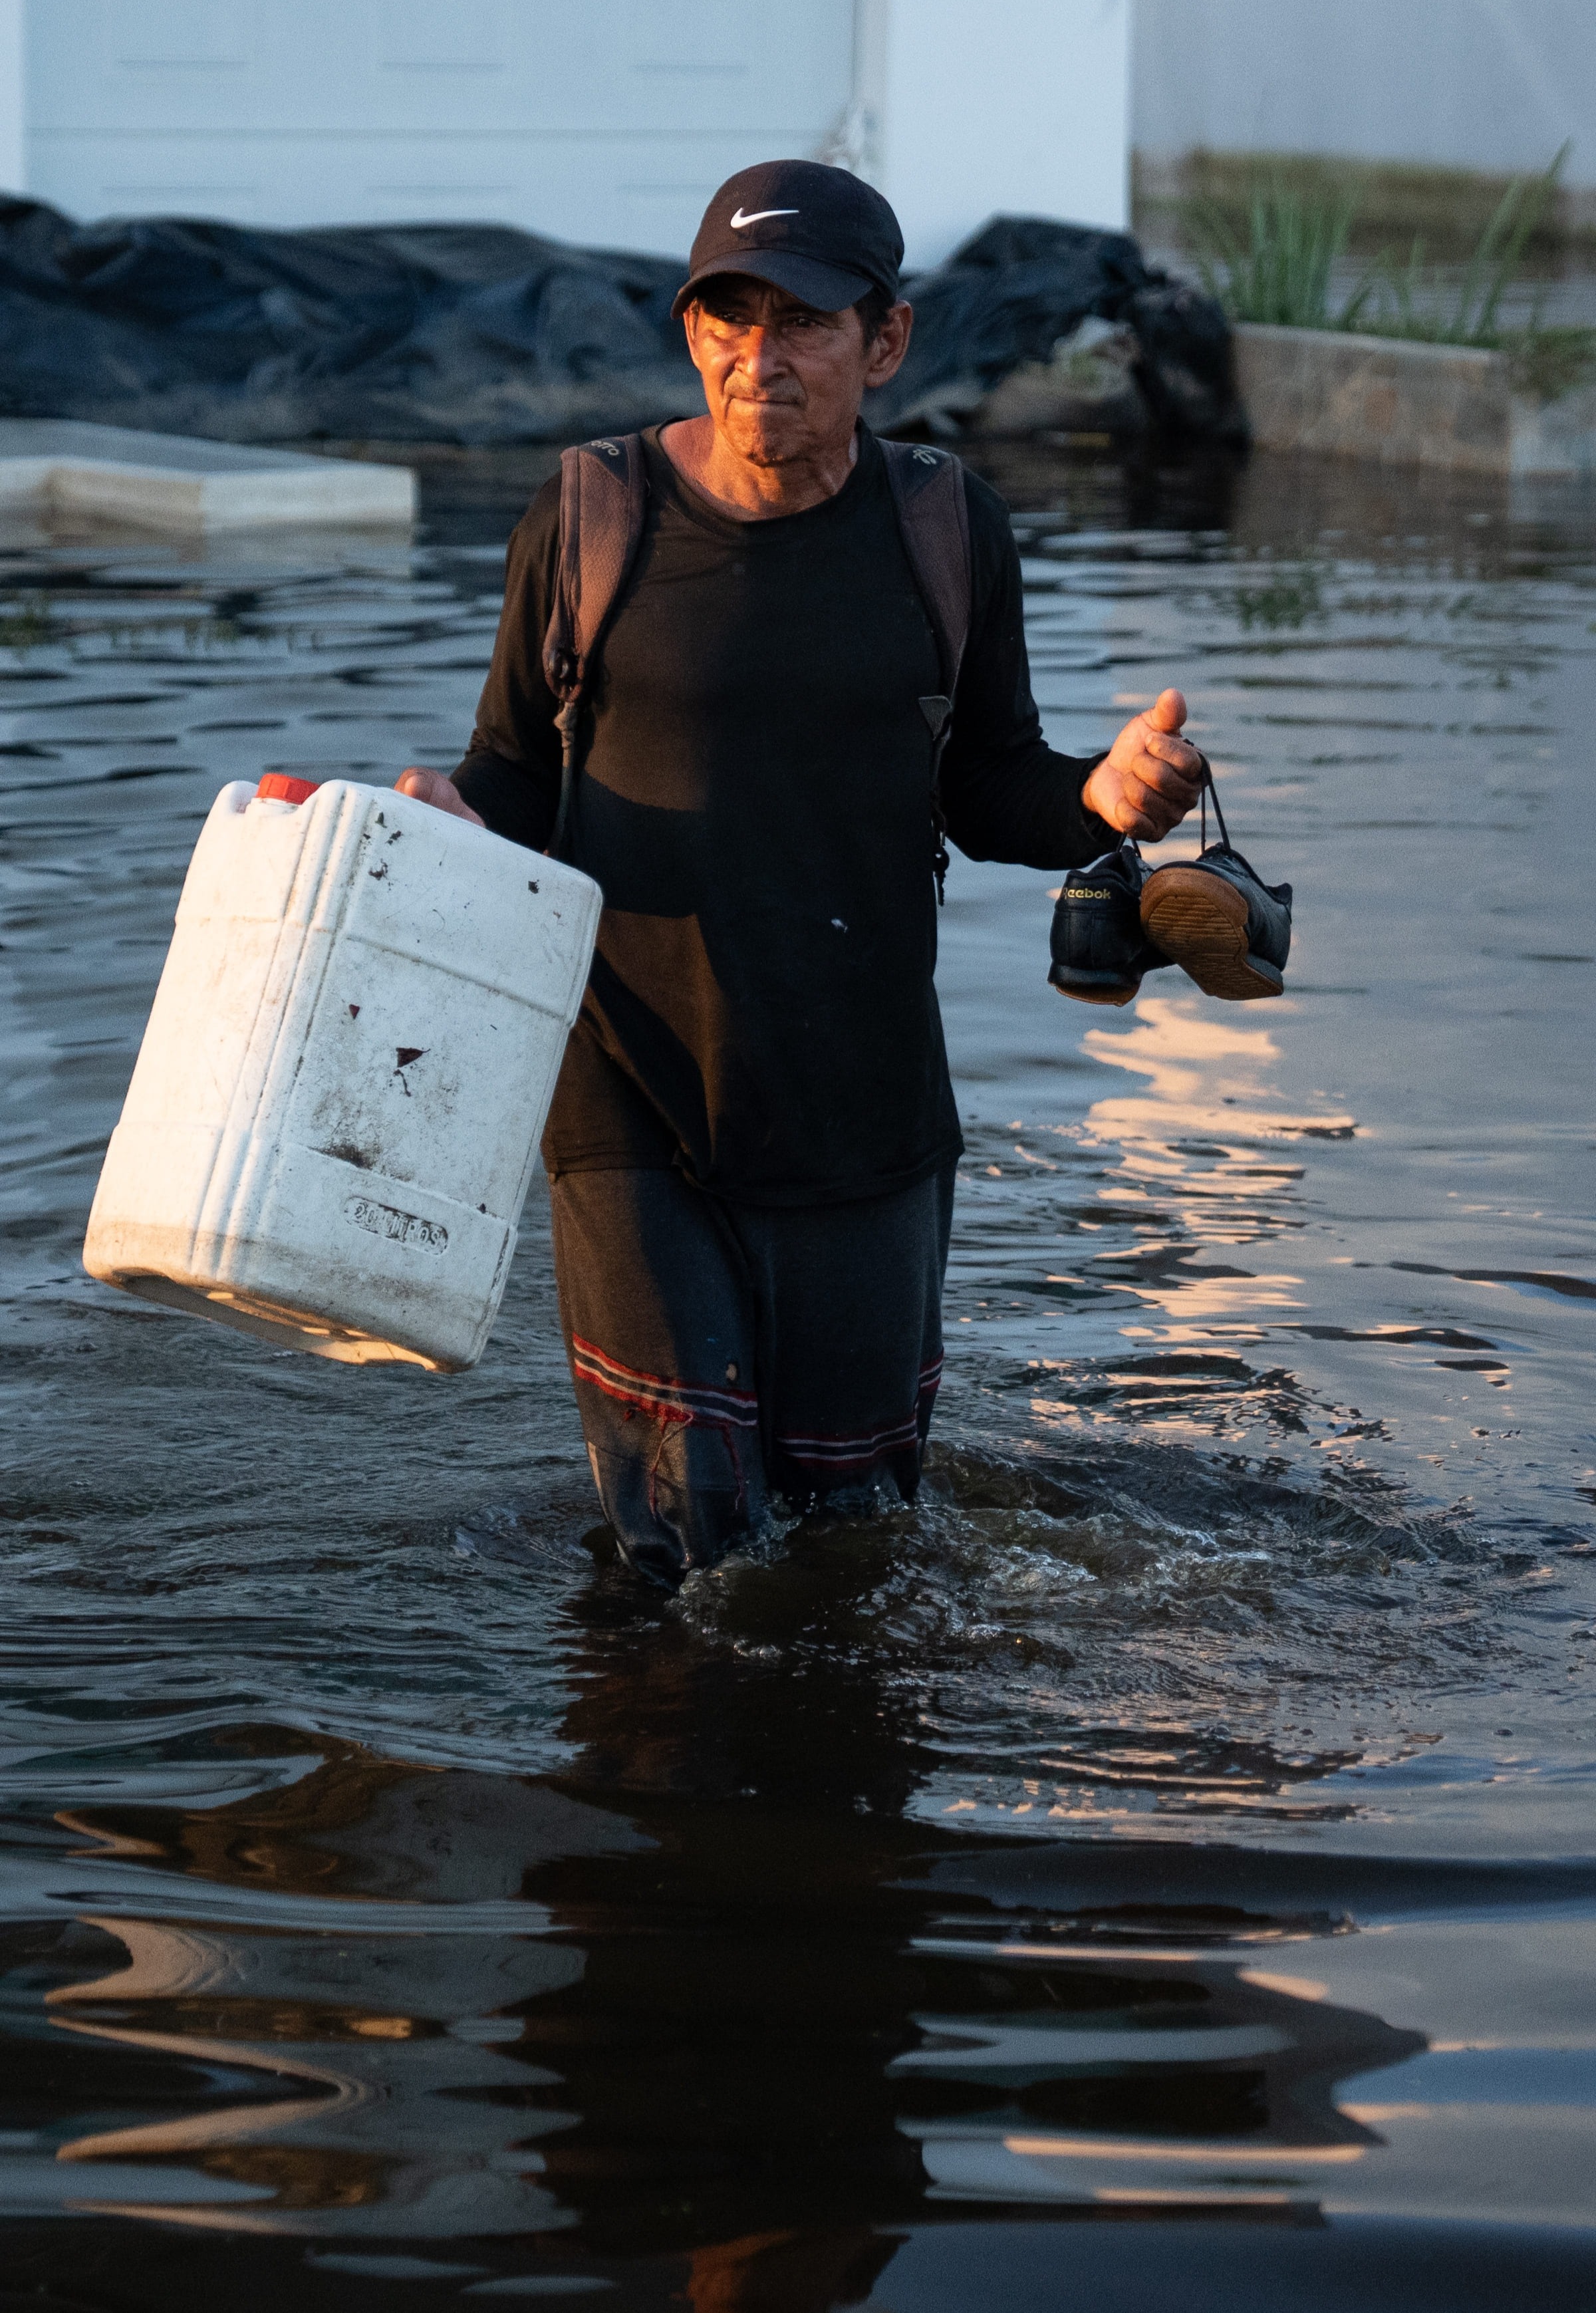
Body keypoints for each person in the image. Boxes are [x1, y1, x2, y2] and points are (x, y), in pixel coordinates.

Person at [398, 161, 1202, 1585]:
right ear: (691, 329)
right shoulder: (593, 516)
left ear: (886, 342)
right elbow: (518, 769)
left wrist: (1102, 796)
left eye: (806, 323)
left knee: (849, 1542)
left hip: (863, 1102)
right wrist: (449, 816)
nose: (759, 358)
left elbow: (988, 783)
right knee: (685, 1537)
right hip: (630, 1095)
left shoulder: (945, 530)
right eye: (731, 318)